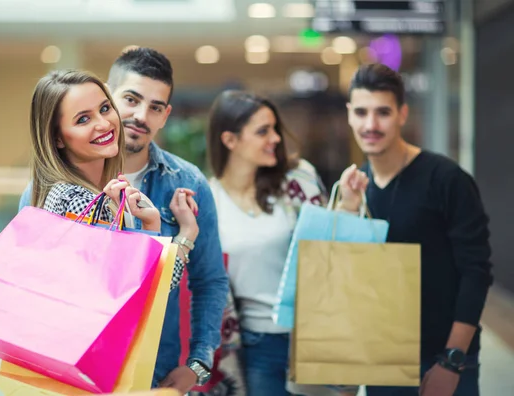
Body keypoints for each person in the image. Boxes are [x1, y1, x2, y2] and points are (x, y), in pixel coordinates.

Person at [19, 48, 229, 394]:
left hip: (154, 371)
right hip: (74, 373)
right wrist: (176, 234)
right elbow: (131, 294)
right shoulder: (50, 195)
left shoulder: (187, 183)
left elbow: (208, 280)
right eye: (129, 99)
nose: (140, 116)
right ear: (110, 92)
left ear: (165, 116)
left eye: (156, 107)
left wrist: (198, 365)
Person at [342, 63, 493, 396]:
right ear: (350, 115)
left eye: (383, 112)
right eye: (362, 112)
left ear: (402, 114)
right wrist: (346, 211)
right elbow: (346, 279)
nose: (371, 124)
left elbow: (476, 273)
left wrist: (452, 362)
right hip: (382, 359)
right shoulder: (353, 188)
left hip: (446, 358)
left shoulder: (447, 179)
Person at [206, 90, 366, 396]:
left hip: (314, 336)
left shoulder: (298, 178)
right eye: (263, 131)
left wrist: (347, 206)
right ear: (230, 140)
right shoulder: (207, 200)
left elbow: (329, 248)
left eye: (275, 129)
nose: (276, 138)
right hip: (255, 346)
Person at [28, 69, 160, 232]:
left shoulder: (64, 193)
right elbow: (122, 259)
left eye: (105, 109)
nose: (104, 124)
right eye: (83, 119)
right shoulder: (80, 202)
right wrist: (153, 226)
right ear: (57, 139)